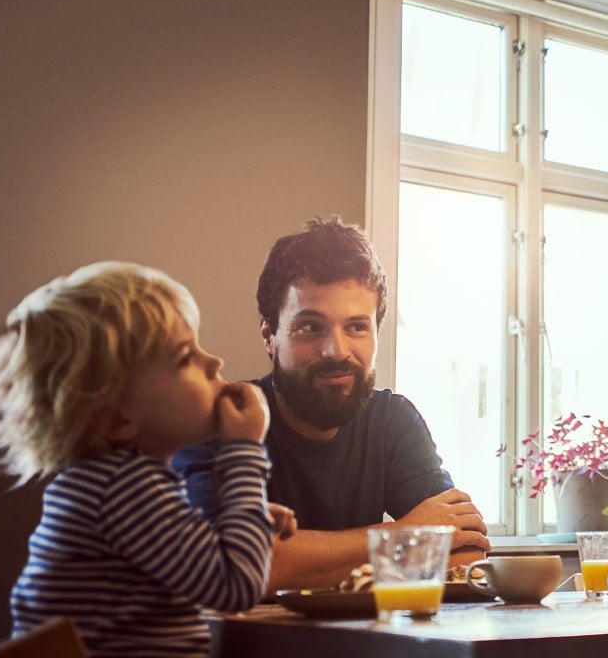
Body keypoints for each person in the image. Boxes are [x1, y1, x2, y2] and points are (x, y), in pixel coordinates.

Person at [0, 262, 295, 657]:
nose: (214, 362)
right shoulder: (126, 485)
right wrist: (245, 451)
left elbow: (180, 557)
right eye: (186, 357)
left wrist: (245, 516)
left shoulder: (103, 484)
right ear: (115, 419)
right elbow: (235, 587)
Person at [174, 216, 490, 593]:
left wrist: (298, 558)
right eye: (310, 327)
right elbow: (234, 564)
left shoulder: (392, 421)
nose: (336, 351)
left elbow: (465, 552)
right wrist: (407, 535)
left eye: (357, 326)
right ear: (269, 335)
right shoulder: (221, 421)